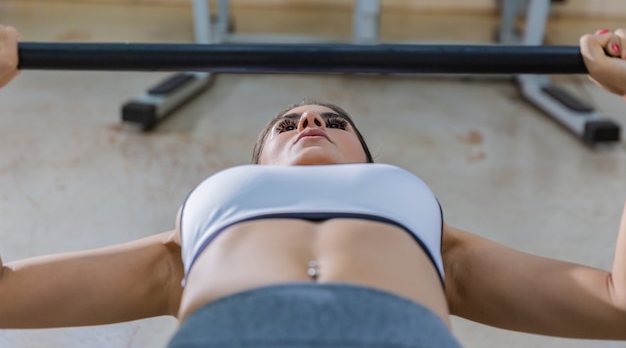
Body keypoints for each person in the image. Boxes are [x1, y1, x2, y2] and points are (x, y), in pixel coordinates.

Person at [1, 22, 626, 348]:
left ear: (368, 161)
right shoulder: (179, 255)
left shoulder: (439, 247)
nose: (310, 121)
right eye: (287, 123)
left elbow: (616, 304)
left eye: (334, 121)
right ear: (254, 165)